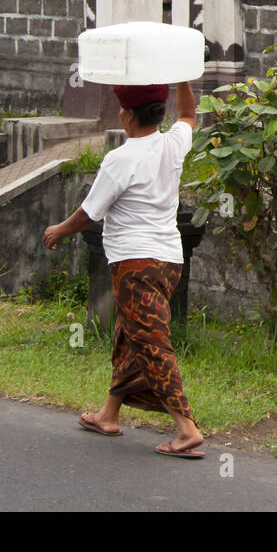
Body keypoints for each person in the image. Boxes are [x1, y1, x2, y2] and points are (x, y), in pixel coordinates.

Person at [43, 80, 204, 459]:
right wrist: (181, 78)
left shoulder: (120, 159)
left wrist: (59, 231)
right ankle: (108, 415)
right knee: (128, 335)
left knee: (150, 342)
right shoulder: (173, 144)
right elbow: (188, 114)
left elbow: (89, 212)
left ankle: (186, 429)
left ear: (128, 114)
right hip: (169, 262)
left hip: (135, 264)